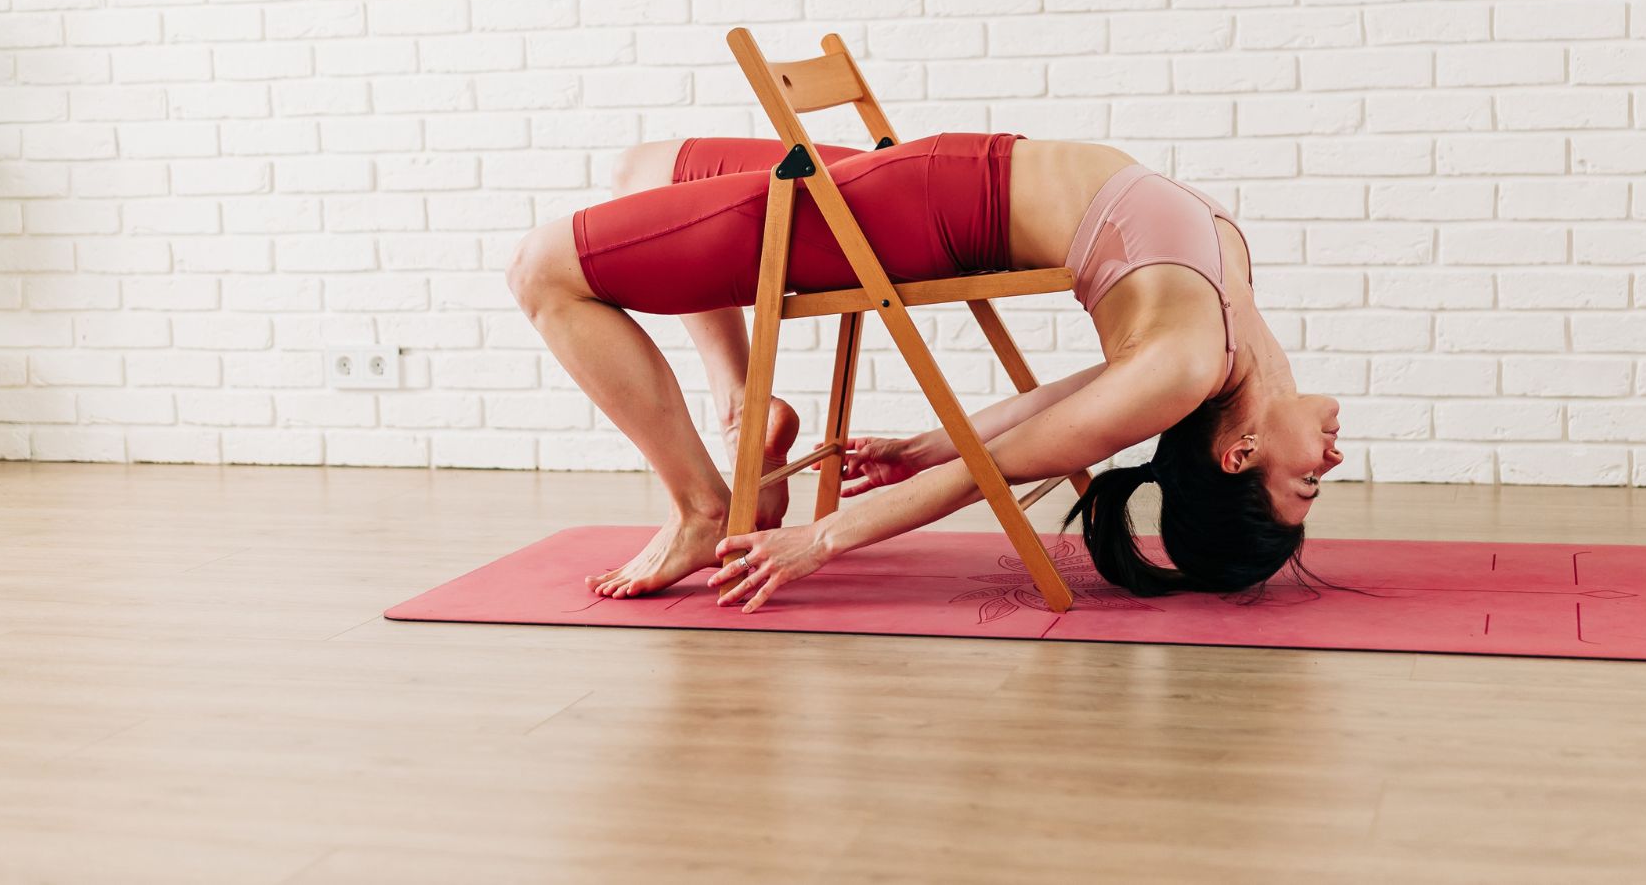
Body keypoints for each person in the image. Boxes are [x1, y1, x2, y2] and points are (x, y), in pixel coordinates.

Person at [504, 131, 1343, 612]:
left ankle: (700, 506)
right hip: (942, 181)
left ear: (1239, 456)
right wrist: (926, 445)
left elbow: (1002, 467)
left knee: (540, 270)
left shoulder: (1184, 369)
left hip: (918, 212)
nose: (1329, 463)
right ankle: (739, 411)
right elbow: (1062, 402)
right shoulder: (1227, 362)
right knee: (646, 170)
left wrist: (818, 540)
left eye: (1305, 484)